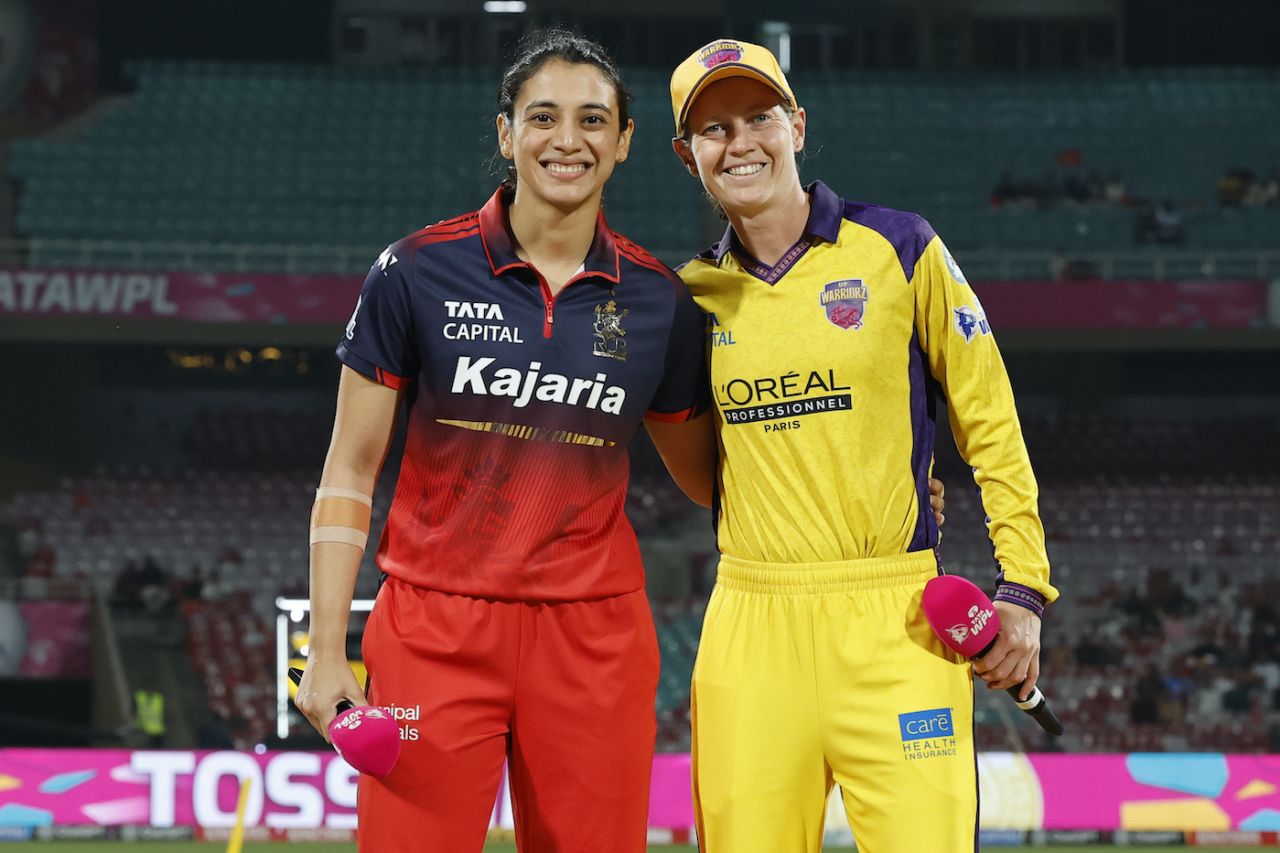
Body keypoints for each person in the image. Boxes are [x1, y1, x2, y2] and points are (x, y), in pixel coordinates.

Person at [292, 29, 716, 852]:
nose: (568, 140)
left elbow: (711, 482)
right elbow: (349, 467)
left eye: (593, 120)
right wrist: (324, 648)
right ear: (505, 133)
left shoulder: (661, 302)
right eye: (543, 116)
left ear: (625, 141)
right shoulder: (414, 271)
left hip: (594, 637)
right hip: (432, 630)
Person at [668, 40, 1059, 852]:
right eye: (714, 128)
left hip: (898, 622)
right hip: (750, 627)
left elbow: (990, 419)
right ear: (688, 155)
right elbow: (702, 469)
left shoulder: (902, 246)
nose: (740, 142)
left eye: (759, 118)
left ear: (798, 125)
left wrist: (1021, 586)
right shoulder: (688, 298)